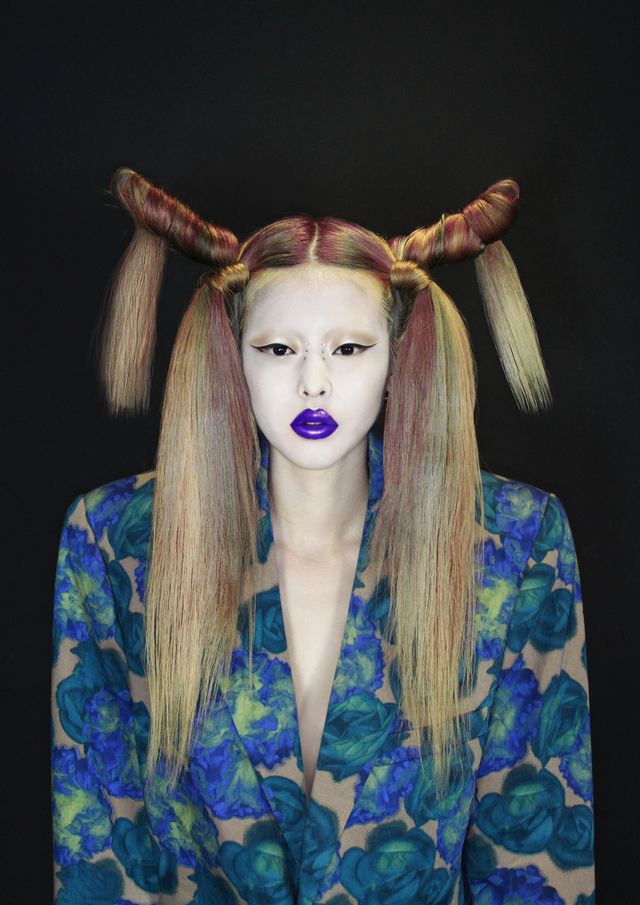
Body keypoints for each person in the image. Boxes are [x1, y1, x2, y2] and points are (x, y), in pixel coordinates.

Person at [52, 169, 594, 905]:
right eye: (279, 349)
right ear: (233, 355)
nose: (314, 383)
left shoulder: (512, 546)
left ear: (397, 353)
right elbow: (103, 847)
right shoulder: (118, 546)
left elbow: (536, 860)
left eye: (349, 348)